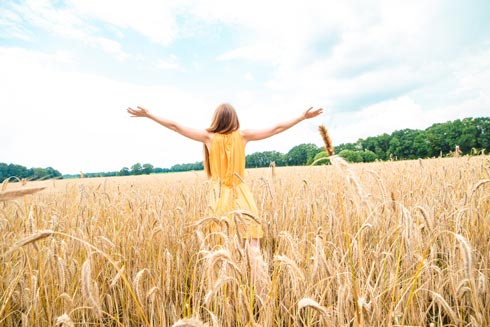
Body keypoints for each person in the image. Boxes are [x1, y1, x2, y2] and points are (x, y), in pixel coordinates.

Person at [127, 103, 323, 300]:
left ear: (216, 119)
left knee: (222, 248)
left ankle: (226, 298)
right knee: (253, 249)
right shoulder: (243, 136)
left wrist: (149, 114)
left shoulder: (208, 138)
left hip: (219, 198)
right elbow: (276, 129)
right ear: (234, 119)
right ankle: (263, 299)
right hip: (242, 196)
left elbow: (175, 127)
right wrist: (301, 117)